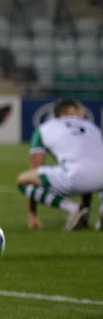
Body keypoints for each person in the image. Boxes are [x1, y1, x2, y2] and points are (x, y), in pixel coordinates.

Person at [17, 98, 103, 231]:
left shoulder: (44, 129)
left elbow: (36, 169)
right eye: (81, 109)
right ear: (72, 109)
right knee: (94, 168)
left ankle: (72, 209)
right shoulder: (93, 127)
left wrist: (32, 214)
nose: (83, 113)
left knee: (24, 180)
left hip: (76, 177)